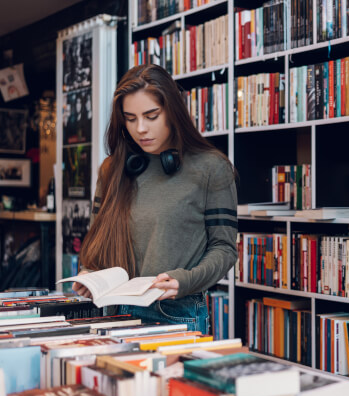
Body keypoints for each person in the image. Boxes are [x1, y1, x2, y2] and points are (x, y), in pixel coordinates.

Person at [74, 64, 238, 333]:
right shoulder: (111, 169)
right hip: (114, 312)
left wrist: (184, 281)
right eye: (130, 118)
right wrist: (90, 274)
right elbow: (98, 242)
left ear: (172, 111)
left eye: (151, 116)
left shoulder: (211, 167)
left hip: (175, 312)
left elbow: (225, 248)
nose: (140, 128)